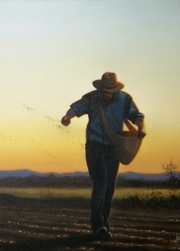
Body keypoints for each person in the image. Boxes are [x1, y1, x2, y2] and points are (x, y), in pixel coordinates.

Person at [61, 72, 144, 240]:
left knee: (109, 188)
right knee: (101, 183)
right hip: (94, 146)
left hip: (113, 148)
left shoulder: (124, 99)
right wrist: (67, 117)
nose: (107, 93)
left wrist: (140, 127)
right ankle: (97, 224)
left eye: (110, 90)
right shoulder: (92, 98)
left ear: (115, 89)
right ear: (100, 87)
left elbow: (136, 115)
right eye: (105, 90)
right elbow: (76, 107)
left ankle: (104, 223)